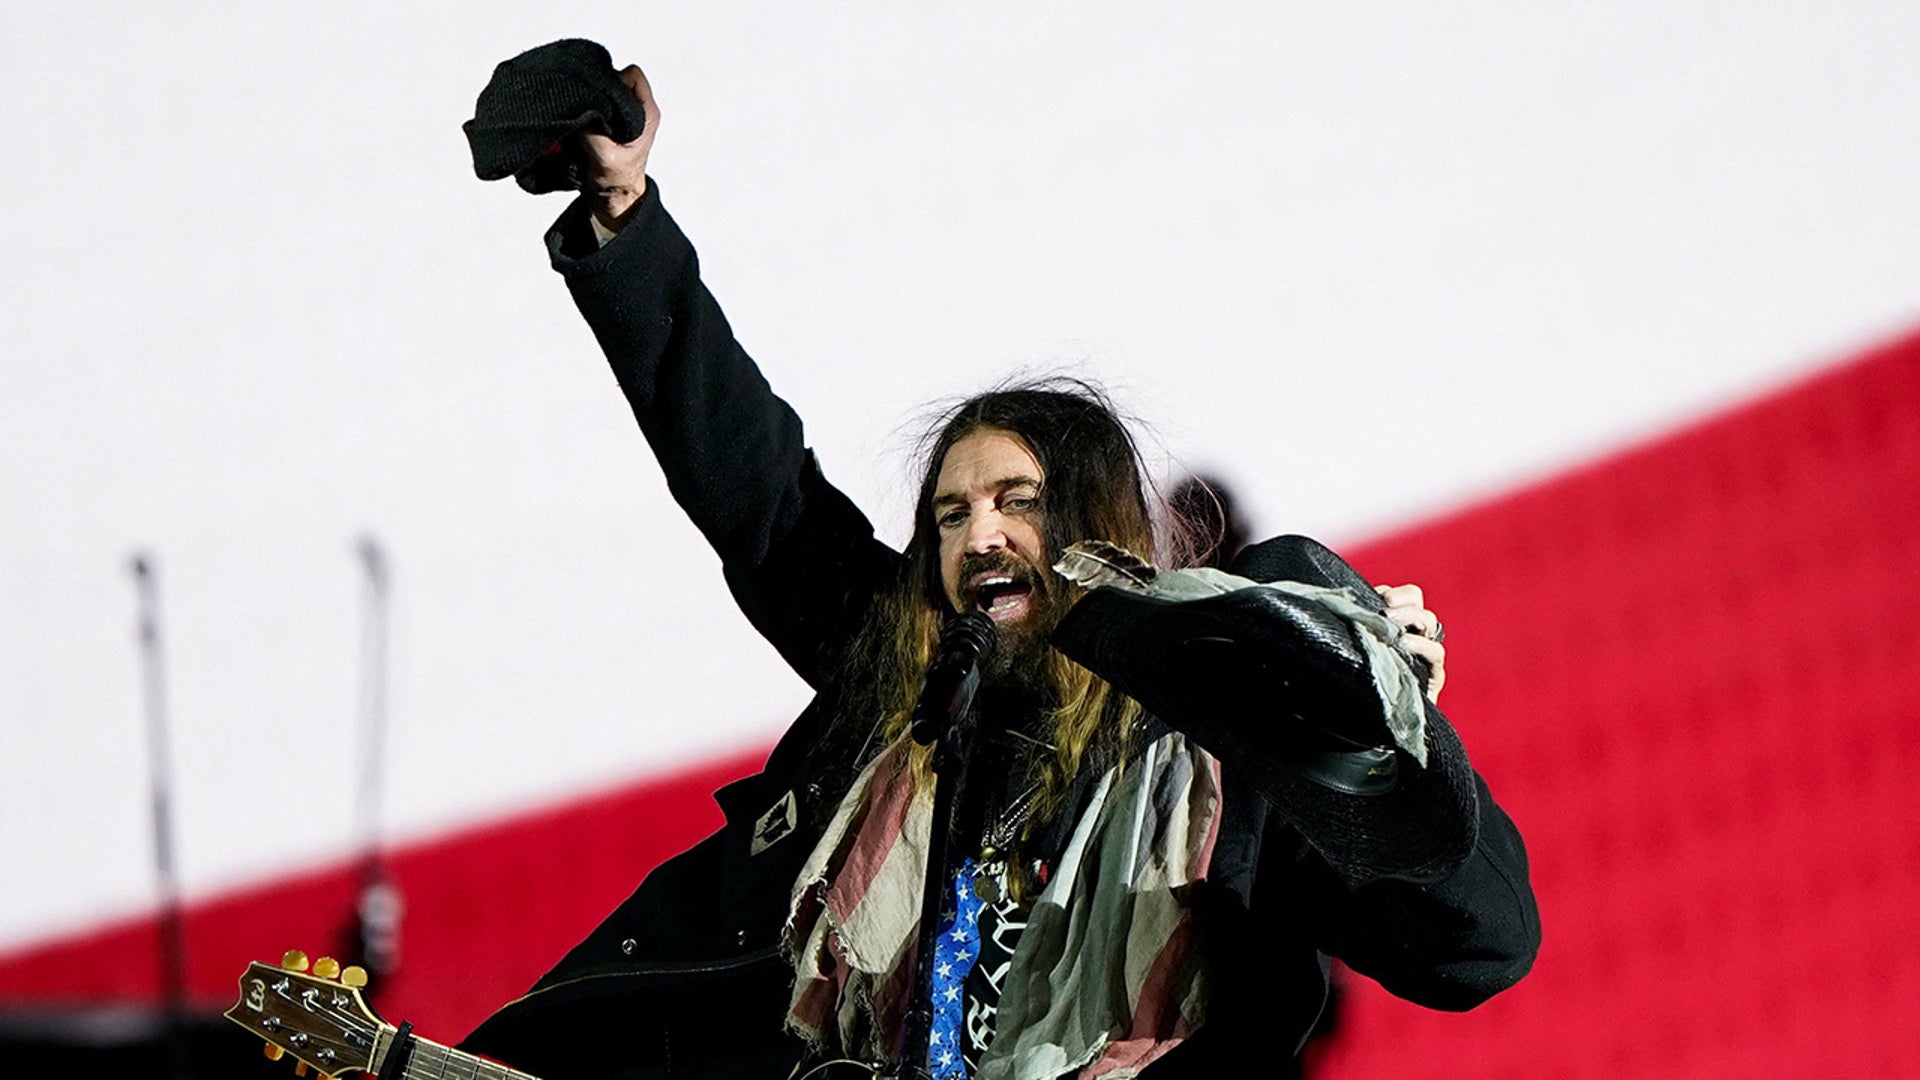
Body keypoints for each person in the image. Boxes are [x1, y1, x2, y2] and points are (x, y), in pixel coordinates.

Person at [459, 50, 1538, 1080]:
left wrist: (1391, 750)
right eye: (949, 514)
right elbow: (757, 489)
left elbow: (1480, 950)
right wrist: (624, 212)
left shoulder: (1226, 759)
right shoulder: (903, 684)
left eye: (1017, 503)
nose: (978, 536)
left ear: (1096, 525)